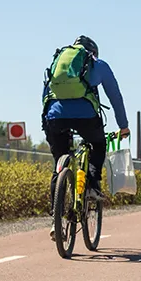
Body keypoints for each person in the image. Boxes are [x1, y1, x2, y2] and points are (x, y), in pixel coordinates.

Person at [42, 35, 130, 217]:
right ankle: (91, 186)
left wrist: (47, 121)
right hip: (86, 118)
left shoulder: (58, 63)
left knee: (59, 161)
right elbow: (115, 97)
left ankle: (55, 212)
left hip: (54, 116)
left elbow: (46, 93)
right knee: (98, 145)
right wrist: (123, 126)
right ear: (93, 52)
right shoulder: (99, 64)